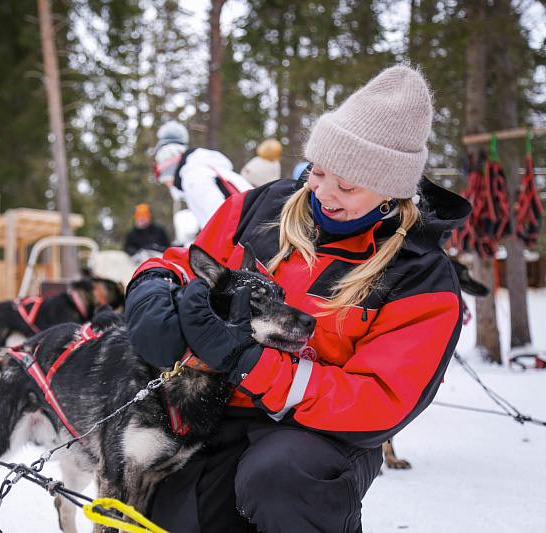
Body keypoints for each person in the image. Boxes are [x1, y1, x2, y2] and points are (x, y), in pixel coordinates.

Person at [125, 65, 470, 532]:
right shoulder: (263, 206)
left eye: (347, 186)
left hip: (319, 437)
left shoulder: (420, 273)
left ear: (391, 189)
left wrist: (251, 362)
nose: (323, 194)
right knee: (169, 508)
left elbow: (379, 401)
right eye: (318, 172)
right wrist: (151, 288)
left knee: (279, 477)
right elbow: (188, 261)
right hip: (220, 411)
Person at [153, 120, 254, 228]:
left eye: (167, 183)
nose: (170, 189)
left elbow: (220, 221)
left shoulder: (194, 177)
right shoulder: (206, 169)